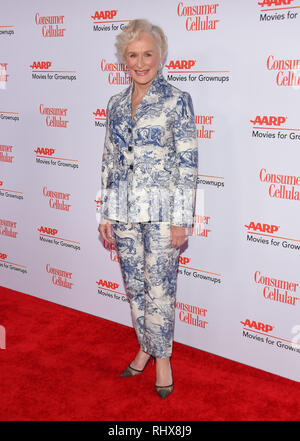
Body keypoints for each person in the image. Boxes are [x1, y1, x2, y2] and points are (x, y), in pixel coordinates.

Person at [98, 19, 198, 398]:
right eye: (133, 55)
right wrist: (106, 213)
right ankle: (144, 346)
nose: (141, 63)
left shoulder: (177, 100)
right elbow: (109, 160)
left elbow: (187, 162)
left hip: (161, 215)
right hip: (123, 211)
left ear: (160, 56)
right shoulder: (116, 104)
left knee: (161, 289)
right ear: (125, 59)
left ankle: (162, 359)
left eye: (147, 54)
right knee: (136, 287)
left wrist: (180, 220)